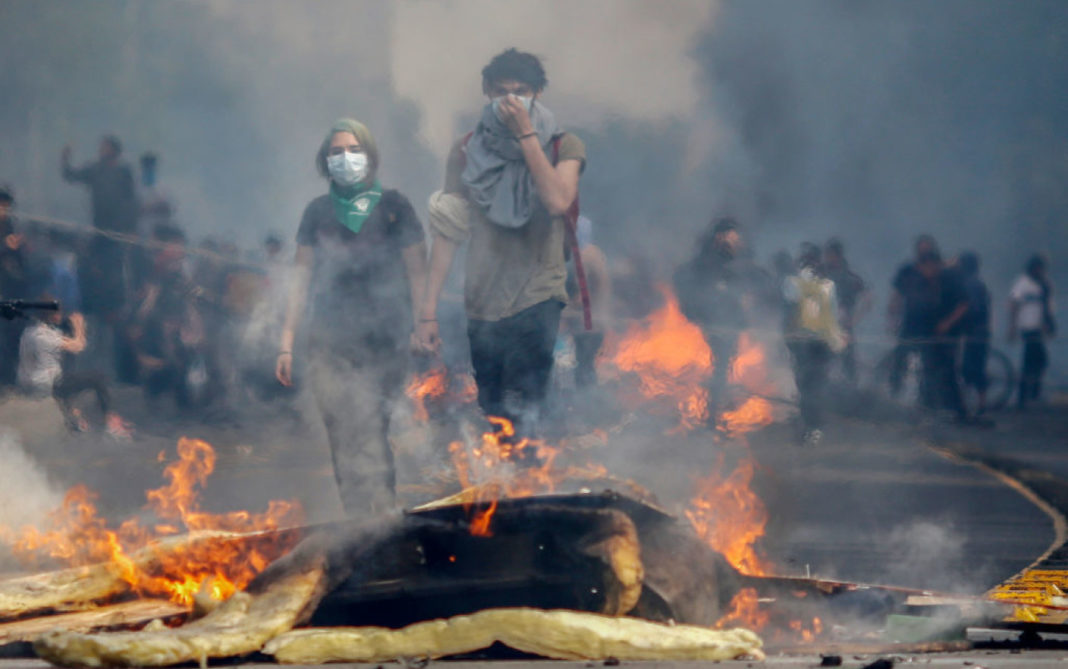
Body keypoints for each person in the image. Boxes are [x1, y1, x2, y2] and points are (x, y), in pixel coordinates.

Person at [415, 48, 585, 439]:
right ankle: (501, 486)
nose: (510, 101)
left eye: (521, 91)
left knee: (527, 405)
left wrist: (526, 136)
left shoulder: (564, 145)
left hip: (538, 294)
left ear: (538, 93)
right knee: (492, 407)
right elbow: (448, 230)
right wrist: (427, 312)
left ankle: (525, 487)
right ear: (487, 92)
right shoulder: (465, 151)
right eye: (501, 91)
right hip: (483, 300)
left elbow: (558, 200)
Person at [276, 118, 428, 515]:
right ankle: (356, 520)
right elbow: (301, 278)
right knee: (342, 435)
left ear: (371, 156)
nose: (346, 159)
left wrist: (424, 323)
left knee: (372, 430)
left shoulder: (395, 206)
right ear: (325, 162)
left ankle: (382, 514)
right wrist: (286, 342)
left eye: (354, 150)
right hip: (329, 340)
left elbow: (417, 271)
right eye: (337, 152)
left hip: (386, 339)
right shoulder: (316, 212)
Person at [62, 135, 139, 375]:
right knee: (96, 276)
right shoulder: (95, 170)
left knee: (113, 281)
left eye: (105, 147)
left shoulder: (124, 172)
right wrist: (64, 160)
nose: (101, 150)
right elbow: (71, 176)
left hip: (117, 234)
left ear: (114, 150)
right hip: (100, 232)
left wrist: (130, 229)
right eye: (100, 147)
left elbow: (131, 201)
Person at [673, 217, 760, 422]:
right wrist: (697, 314)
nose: (735, 241)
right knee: (720, 368)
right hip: (716, 324)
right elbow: (689, 281)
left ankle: (716, 407)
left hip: (731, 324)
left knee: (724, 365)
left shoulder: (739, 261)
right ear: (719, 237)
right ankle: (712, 415)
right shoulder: (706, 263)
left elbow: (749, 285)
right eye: (730, 236)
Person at [17, 300, 130, 438]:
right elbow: (78, 346)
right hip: (47, 383)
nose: (61, 315)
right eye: (58, 312)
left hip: (32, 380)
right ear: (50, 315)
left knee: (69, 375)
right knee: (98, 378)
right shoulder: (43, 336)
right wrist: (79, 325)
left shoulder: (29, 331)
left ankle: (74, 418)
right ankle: (110, 422)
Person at [782, 243, 845, 446]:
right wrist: (837, 338)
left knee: (807, 385)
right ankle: (814, 426)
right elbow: (833, 315)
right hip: (820, 342)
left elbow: (788, 304)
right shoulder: (828, 285)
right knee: (815, 384)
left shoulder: (792, 282)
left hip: (804, 341)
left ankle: (812, 426)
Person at [913, 250, 969, 420]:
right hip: (929, 334)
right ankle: (929, 407)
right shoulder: (921, 282)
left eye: (927, 267)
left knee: (948, 371)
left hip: (949, 335)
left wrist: (948, 323)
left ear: (934, 265)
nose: (925, 271)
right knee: (928, 369)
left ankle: (958, 411)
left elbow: (964, 304)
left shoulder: (950, 280)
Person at [887, 234, 940, 398]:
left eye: (927, 249)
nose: (924, 252)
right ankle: (895, 393)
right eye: (921, 249)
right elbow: (896, 295)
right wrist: (891, 317)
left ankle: (927, 399)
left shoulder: (939, 270)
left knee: (930, 364)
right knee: (900, 358)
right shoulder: (907, 270)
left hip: (932, 326)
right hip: (910, 323)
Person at [562, 215, 611, 389]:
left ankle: (587, 408)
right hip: (598, 323)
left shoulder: (582, 258)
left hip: (588, 325)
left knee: (584, 368)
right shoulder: (596, 253)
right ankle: (590, 405)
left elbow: (580, 298)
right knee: (587, 366)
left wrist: (558, 309)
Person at [1009, 254, 1055, 410]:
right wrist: (1013, 327)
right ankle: (1025, 395)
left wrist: (1049, 325)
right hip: (1027, 327)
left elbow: (1046, 308)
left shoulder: (1043, 284)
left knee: (1037, 361)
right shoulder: (1023, 283)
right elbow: (1014, 304)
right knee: (1032, 362)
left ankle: (1031, 392)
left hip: (1037, 327)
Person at [822, 238, 870, 384]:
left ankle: (851, 392)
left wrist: (854, 319)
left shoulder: (850, 278)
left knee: (847, 363)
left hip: (843, 327)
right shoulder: (822, 275)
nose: (827, 258)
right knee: (822, 364)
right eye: (826, 254)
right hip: (823, 327)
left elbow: (868, 299)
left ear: (837, 255)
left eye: (830, 254)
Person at [0, 185, 28, 388]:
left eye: (6, 206)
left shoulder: (10, 224)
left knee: (13, 335)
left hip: (11, 289)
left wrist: (17, 248)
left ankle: (10, 379)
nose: (4, 210)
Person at [958, 252, 992, 414]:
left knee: (970, 368)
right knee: (977, 367)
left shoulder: (969, 284)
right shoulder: (979, 283)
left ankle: (973, 404)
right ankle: (978, 404)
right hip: (982, 332)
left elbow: (972, 309)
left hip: (973, 333)